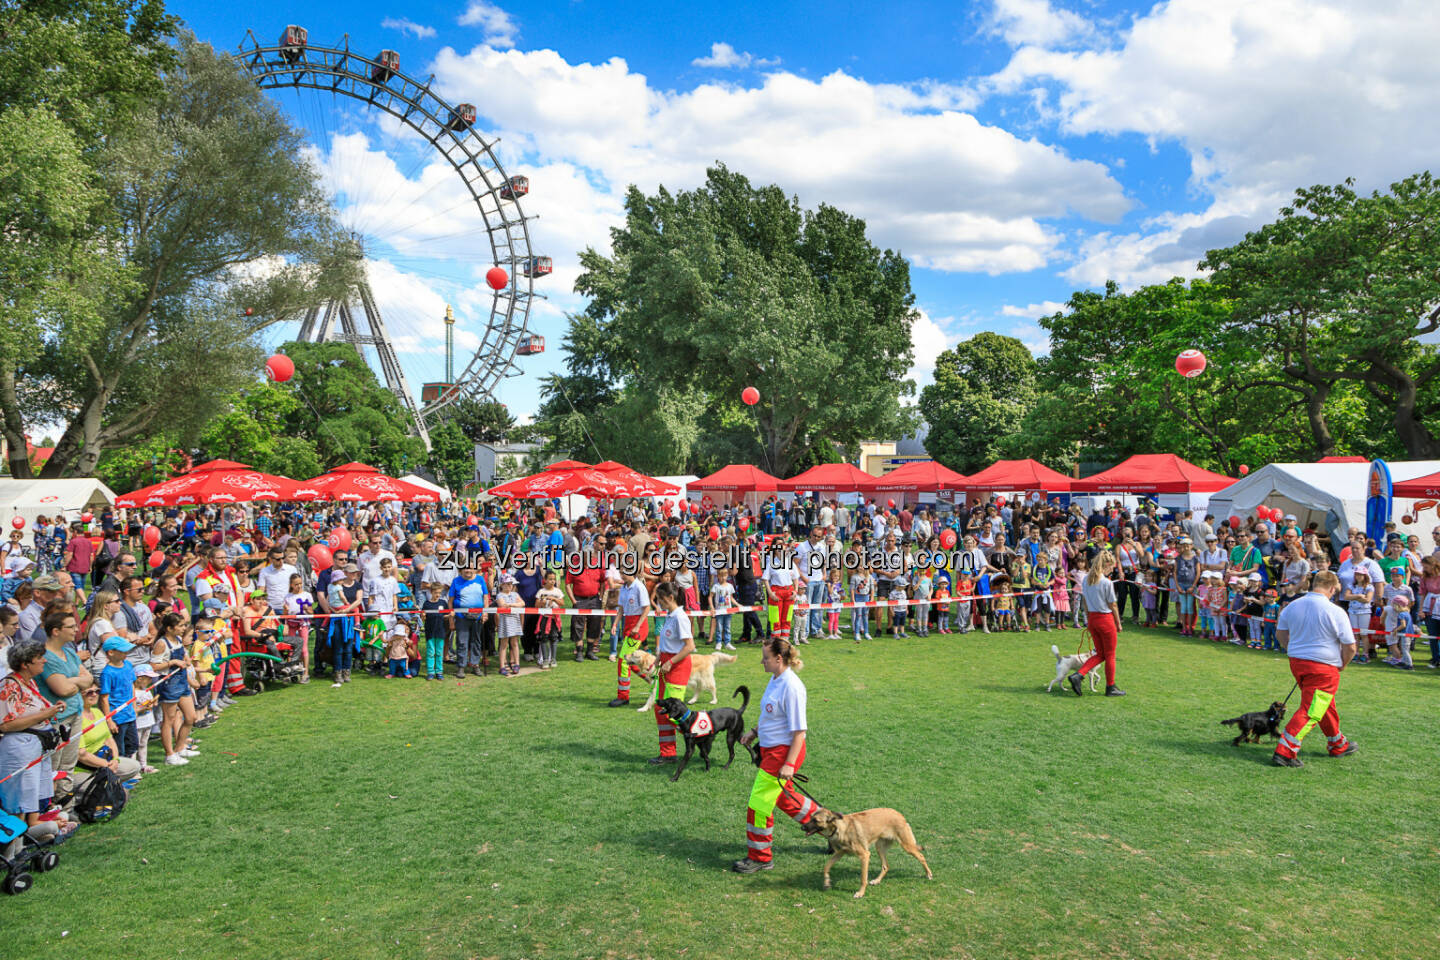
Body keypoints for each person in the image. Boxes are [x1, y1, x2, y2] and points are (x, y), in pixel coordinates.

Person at [733, 637, 818, 873]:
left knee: (758, 805)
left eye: (766, 658)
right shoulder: (776, 679)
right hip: (773, 750)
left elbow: (799, 732)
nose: (762, 661)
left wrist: (789, 763)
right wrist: (754, 732)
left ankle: (761, 857)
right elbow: (771, 715)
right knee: (783, 798)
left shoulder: (792, 687)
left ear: (779, 659)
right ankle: (828, 826)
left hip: (783, 753)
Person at [1272, 571, 1358, 767]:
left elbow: (1280, 634)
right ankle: (1285, 751)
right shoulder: (1335, 611)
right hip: (1323, 667)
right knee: (1311, 710)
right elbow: (1350, 646)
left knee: (1322, 704)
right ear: (1332, 588)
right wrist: (1343, 664)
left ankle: (1337, 743)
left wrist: (1293, 650)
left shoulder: (1292, 605)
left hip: (1298, 663)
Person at [647, 581, 695, 765]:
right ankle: (667, 753)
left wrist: (670, 662)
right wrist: (659, 658)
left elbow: (690, 646)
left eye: (660, 599)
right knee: (661, 710)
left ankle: (701, 733)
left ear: (670, 598)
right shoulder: (670, 615)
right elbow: (668, 642)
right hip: (667, 664)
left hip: (677, 668)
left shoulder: (680, 617)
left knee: (675, 713)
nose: (658, 602)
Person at [1067, 550, 1125, 697]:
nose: (1112, 569)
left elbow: (1085, 602)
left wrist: (1088, 619)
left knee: (1100, 653)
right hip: (1105, 619)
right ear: (1106, 564)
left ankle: (1079, 675)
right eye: (1112, 566)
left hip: (1092, 619)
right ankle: (1110, 686)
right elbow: (1113, 605)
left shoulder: (1086, 579)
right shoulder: (1106, 582)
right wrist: (1118, 623)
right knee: (1110, 655)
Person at [150, 612, 198, 767]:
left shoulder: (177, 639)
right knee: (168, 720)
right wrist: (172, 662)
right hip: (169, 684)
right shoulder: (162, 644)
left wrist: (185, 660)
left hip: (182, 682)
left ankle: (179, 748)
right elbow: (153, 666)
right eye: (181, 626)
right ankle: (169, 755)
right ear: (170, 628)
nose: (184, 628)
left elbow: (183, 656)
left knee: (190, 717)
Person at [610, 566, 651, 706]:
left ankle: (623, 696)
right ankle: (655, 680)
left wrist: (638, 626)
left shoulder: (639, 587)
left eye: (623, 573)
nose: (620, 575)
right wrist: (615, 624)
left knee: (623, 661)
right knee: (631, 662)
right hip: (628, 624)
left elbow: (647, 608)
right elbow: (621, 609)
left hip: (637, 626)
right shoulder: (624, 588)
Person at [448, 561, 490, 679]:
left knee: (476, 641)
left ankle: (475, 665)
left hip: (478, 616)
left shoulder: (480, 580)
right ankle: (461, 666)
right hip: (461, 617)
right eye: (466, 568)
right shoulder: (456, 581)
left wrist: (485, 613)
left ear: (475, 569)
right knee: (462, 642)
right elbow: (450, 601)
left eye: (471, 568)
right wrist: (451, 619)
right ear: (461, 569)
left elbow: (485, 598)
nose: (468, 570)